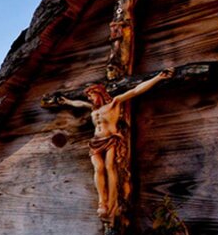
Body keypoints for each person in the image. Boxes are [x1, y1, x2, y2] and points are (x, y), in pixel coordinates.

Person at [51, 68, 174, 220]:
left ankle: (112, 201)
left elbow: (135, 91)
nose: (90, 99)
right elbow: (79, 104)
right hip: (96, 142)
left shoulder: (114, 104)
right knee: (98, 168)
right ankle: (102, 202)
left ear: (100, 93)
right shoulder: (93, 110)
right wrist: (68, 101)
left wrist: (158, 78)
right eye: (89, 96)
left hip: (110, 140)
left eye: (92, 95)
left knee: (110, 167)